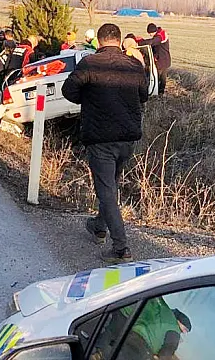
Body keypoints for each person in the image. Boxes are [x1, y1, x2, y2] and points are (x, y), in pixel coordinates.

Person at [62, 23, 148, 263]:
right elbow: (144, 96)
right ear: (119, 41)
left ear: (99, 42)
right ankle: (99, 225)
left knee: (107, 190)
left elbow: (69, 91)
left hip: (100, 137)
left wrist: (88, 97)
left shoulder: (89, 63)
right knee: (110, 186)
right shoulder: (134, 65)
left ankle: (121, 248)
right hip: (128, 138)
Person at [120, 300, 192, 360]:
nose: (184, 332)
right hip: (142, 349)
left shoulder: (162, 311)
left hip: (130, 334)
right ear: (180, 321)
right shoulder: (175, 332)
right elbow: (165, 355)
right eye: (185, 329)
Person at [139, 23, 171, 95]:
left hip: (162, 61)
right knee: (162, 78)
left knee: (158, 78)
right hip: (164, 60)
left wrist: (139, 42)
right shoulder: (160, 33)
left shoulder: (160, 36)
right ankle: (160, 93)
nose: (150, 35)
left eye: (150, 33)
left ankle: (157, 93)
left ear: (154, 31)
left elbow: (151, 42)